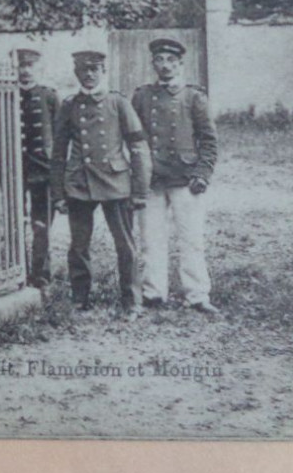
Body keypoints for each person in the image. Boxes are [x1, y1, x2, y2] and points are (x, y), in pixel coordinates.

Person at [50, 50, 151, 315]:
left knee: (125, 245)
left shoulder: (118, 102)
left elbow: (138, 146)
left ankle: (132, 300)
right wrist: (58, 192)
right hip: (80, 182)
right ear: (77, 73)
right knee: (79, 245)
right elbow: (58, 152)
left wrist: (140, 189)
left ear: (103, 71)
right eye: (84, 70)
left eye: (94, 69)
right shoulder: (70, 105)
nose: (89, 74)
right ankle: (80, 298)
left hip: (115, 181)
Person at [132, 37, 220, 314]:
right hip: (153, 179)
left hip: (186, 179)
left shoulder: (194, 97)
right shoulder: (142, 96)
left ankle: (197, 295)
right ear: (153, 63)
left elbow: (208, 140)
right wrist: (137, 175)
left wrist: (202, 174)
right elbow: (133, 140)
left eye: (171, 60)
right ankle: (154, 293)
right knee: (151, 239)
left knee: (191, 238)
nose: (165, 65)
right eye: (160, 59)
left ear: (180, 63)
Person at [16, 48, 59, 290]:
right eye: (21, 65)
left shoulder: (49, 96)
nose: (25, 70)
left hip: (43, 169)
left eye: (30, 65)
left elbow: (60, 133)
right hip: (14, 168)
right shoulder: (5, 94)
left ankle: (41, 273)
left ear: (38, 68)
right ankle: (18, 270)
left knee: (41, 223)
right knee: (17, 220)